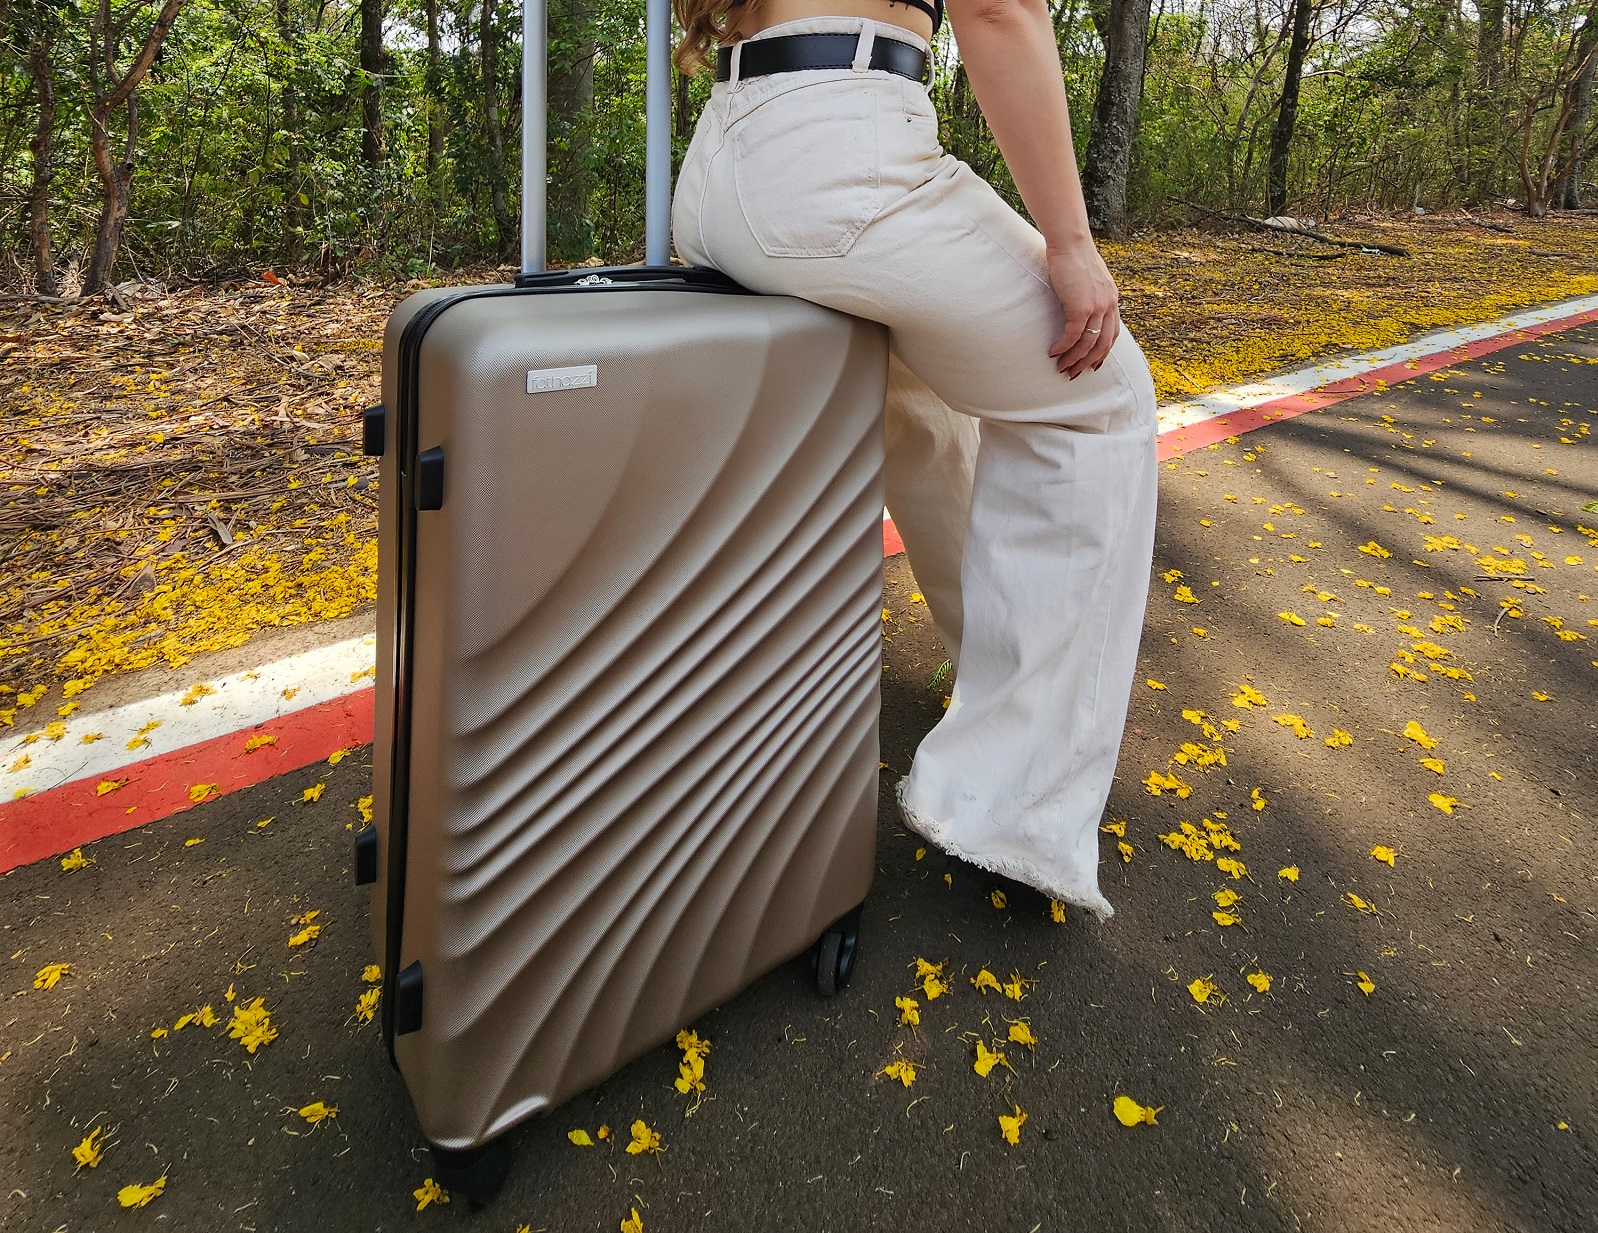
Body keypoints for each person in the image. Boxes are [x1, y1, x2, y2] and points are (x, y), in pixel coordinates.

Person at [670, 0, 1157, 921]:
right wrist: (1071, 243)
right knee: (1104, 399)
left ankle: (992, 682)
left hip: (720, 173)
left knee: (917, 399)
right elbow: (999, 10)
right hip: (839, 162)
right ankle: (1011, 803)